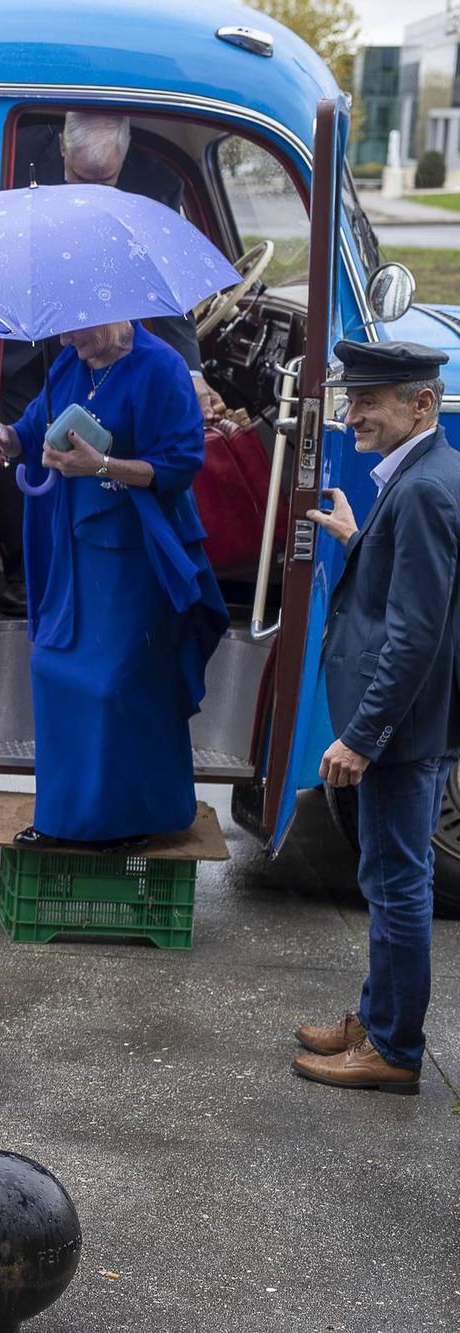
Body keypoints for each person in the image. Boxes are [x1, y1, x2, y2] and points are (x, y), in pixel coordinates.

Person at [0, 321, 225, 848]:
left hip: (136, 554)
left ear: (112, 312)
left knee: (115, 684)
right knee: (50, 667)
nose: (66, 342)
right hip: (72, 547)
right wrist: (4, 438)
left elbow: (181, 465)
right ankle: (66, 821)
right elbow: (31, 427)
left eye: (75, 331)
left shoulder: (162, 368)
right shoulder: (70, 361)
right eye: (61, 332)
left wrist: (103, 465)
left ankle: (135, 819)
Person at [293, 341, 460, 1097]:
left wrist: (363, 734)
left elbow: (417, 631)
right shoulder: (420, 476)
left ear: (420, 405)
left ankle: (392, 1048)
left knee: (397, 884)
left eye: (370, 401)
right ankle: (376, 1016)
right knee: (387, 875)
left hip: (399, 733)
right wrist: (359, 538)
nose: (351, 412)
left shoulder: (425, 489)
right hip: (404, 728)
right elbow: (414, 590)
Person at [0, 111, 220, 616]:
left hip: (106, 337)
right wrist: (8, 437)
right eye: (81, 178)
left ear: (126, 155)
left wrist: (193, 371)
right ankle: (25, 575)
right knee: (27, 438)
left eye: (107, 181)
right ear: (62, 152)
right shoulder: (18, 153)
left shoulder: (157, 183)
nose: (94, 190)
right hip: (26, 337)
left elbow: (167, 285)